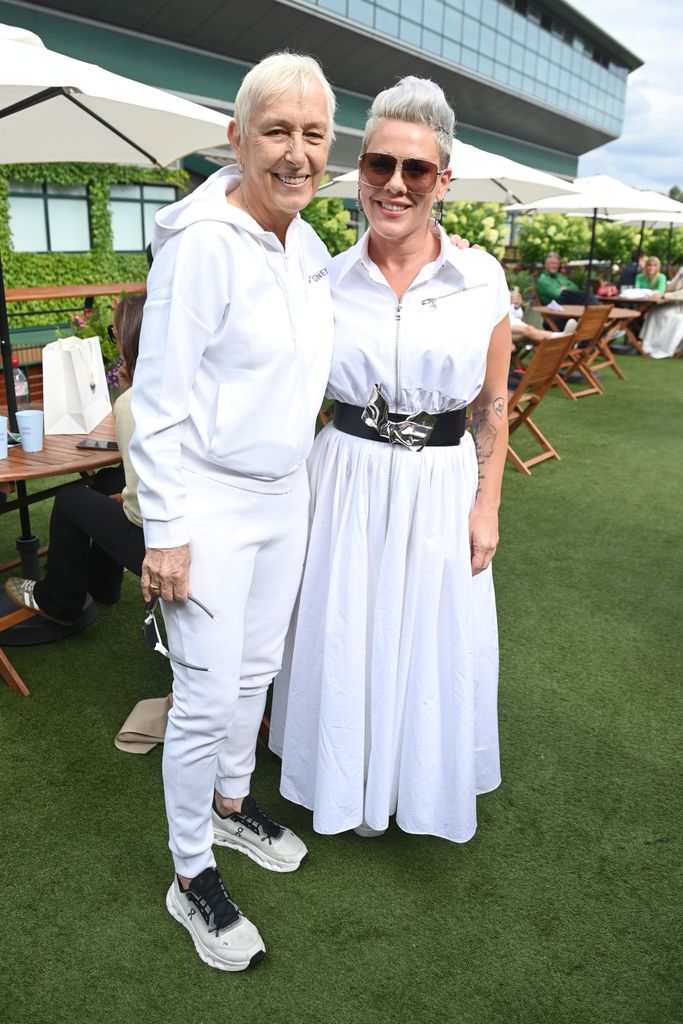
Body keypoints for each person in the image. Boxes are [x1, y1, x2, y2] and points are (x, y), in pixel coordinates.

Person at [128, 53, 337, 972]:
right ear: (238, 137)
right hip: (207, 500)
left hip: (283, 492)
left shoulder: (309, 244)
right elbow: (158, 399)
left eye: (314, 134)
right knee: (206, 698)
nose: (296, 154)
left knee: (254, 672)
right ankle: (189, 875)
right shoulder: (203, 241)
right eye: (278, 132)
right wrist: (167, 533)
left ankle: (230, 805)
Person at [270, 77, 511, 846]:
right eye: (379, 166)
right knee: (344, 629)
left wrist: (486, 507)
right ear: (360, 172)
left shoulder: (482, 279)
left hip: (440, 485)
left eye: (415, 170)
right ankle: (342, 781)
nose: (395, 186)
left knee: (430, 636)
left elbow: (492, 406)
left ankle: (414, 786)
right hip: (340, 477)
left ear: (443, 180)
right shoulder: (321, 276)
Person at [4, 295, 146, 623]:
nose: (115, 344)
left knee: (69, 499)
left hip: (162, 540)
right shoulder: (169, 387)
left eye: (115, 335)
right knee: (110, 479)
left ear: (131, 341)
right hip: (199, 519)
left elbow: (140, 508)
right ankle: (103, 587)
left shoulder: (131, 404)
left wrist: (120, 503)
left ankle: (59, 600)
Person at [642, 265, 683, 358]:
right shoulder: (681, 269)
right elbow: (671, 287)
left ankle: (665, 347)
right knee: (654, 310)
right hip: (676, 304)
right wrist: (679, 279)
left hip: (680, 308)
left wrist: (665, 296)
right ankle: (648, 345)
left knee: (670, 315)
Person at [535, 251, 601, 309]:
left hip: (568, 307)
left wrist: (564, 288)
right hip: (554, 312)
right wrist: (565, 289)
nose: (555, 266)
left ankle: (600, 311)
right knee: (584, 296)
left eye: (557, 264)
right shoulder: (543, 280)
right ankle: (601, 311)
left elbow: (575, 287)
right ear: (546, 264)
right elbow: (558, 294)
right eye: (552, 263)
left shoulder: (559, 276)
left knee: (586, 295)